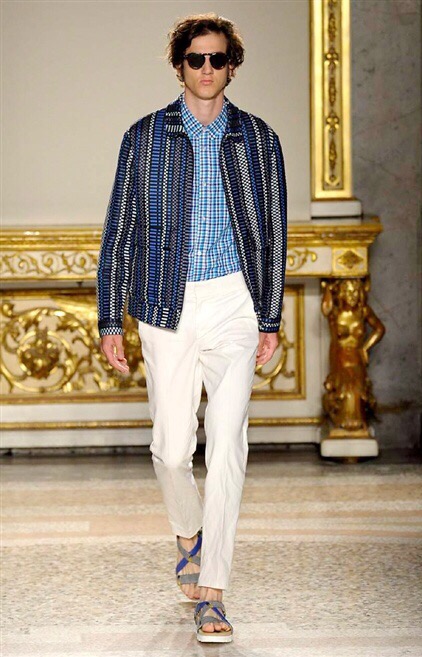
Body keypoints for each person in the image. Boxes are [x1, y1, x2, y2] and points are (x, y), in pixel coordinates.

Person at [97, 13, 287, 643]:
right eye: (196, 59)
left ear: (233, 65)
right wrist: (110, 317)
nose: (207, 69)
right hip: (165, 302)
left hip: (234, 300)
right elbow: (120, 232)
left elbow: (273, 235)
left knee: (228, 444)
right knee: (171, 449)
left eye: (218, 58)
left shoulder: (258, 139)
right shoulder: (145, 137)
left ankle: (213, 592)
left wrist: (268, 315)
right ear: (179, 65)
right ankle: (188, 534)